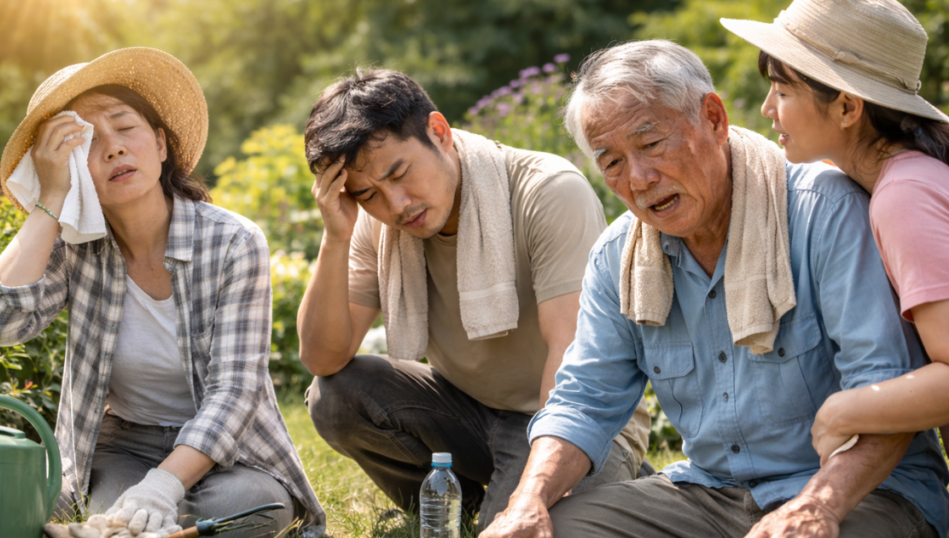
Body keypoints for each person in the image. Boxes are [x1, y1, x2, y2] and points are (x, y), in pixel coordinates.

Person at [480, 40, 949, 538]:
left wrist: (819, 508)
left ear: (713, 119)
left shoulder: (824, 211)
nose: (638, 179)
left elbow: (884, 385)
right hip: (709, 494)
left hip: (861, 493)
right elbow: (583, 401)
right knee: (559, 528)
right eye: (611, 162)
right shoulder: (619, 255)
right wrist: (527, 500)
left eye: (651, 143)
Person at [0, 48, 324, 537]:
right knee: (125, 516)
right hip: (124, 446)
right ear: (70, 167)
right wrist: (51, 198)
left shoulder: (234, 242)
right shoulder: (74, 247)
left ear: (160, 144)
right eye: (87, 141)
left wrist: (161, 487)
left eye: (125, 127)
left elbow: (234, 393)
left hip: (229, 450)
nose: (113, 148)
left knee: (254, 507)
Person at [296, 68, 651, 529]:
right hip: (475, 414)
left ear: (439, 132)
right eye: (368, 194)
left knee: (520, 527)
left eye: (400, 173)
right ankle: (458, 507)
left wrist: (531, 490)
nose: (397, 205)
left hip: (567, 421)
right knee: (336, 394)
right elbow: (322, 358)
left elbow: (570, 373)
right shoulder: (376, 224)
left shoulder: (547, 192)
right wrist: (335, 237)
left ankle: (609, 481)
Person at [722, 0, 949, 465]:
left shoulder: (903, 196)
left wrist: (843, 411)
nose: (766, 108)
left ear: (847, 107)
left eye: (782, 92)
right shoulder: (908, 176)